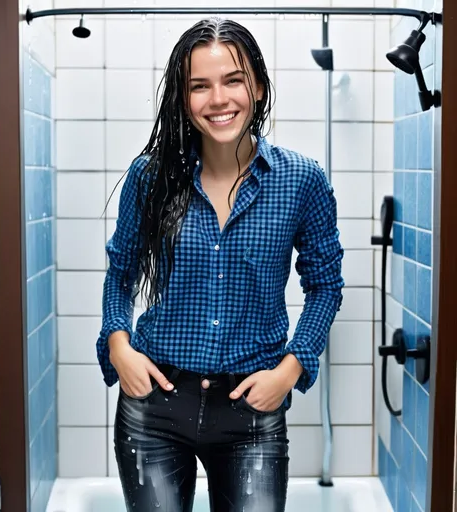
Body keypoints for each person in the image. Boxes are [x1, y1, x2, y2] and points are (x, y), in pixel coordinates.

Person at [96, 16, 344, 512]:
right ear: (182, 100)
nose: (218, 100)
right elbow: (120, 274)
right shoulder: (150, 177)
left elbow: (326, 287)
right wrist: (119, 345)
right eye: (199, 86)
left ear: (256, 83)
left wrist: (290, 370)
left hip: (252, 410)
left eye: (232, 80)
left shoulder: (301, 180)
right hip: (154, 408)